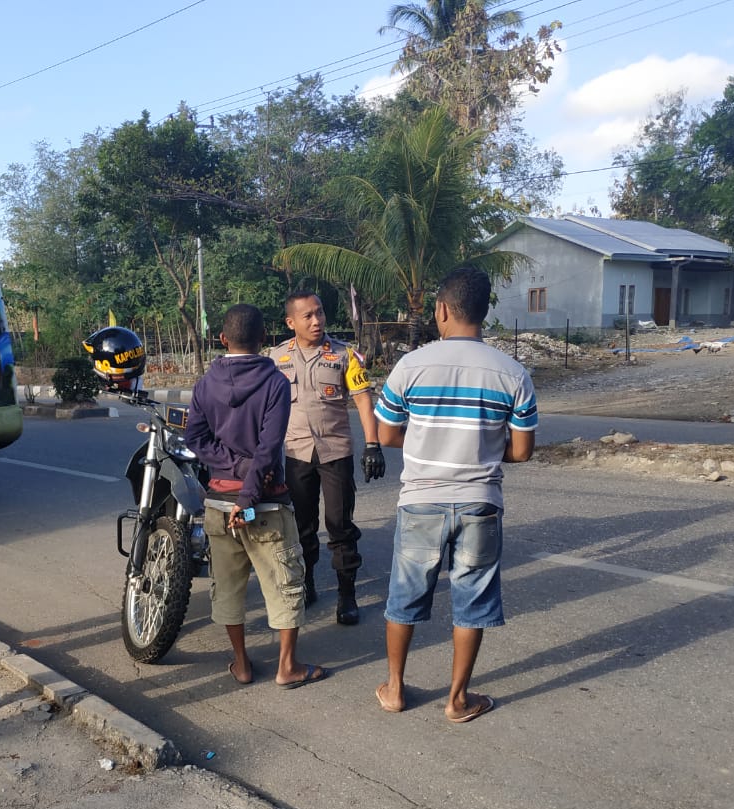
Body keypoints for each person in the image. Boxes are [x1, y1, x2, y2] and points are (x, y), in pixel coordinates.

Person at [373, 265, 537, 721]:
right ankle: (457, 699)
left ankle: (395, 688)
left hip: (420, 501)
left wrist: (430, 438)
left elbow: (387, 434)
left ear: (441, 310)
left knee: (404, 596)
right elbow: (521, 451)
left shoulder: (411, 365)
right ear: (483, 312)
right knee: (473, 598)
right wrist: (479, 440)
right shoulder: (513, 373)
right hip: (480, 502)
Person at [184, 304, 327, 689]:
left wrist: (231, 468)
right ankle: (287, 667)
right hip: (264, 502)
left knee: (228, 588)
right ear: (264, 339)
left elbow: (195, 438)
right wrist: (248, 488)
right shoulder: (276, 383)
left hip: (218, 501)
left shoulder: (205, 383)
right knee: (285, 585)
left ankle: (242, 663)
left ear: (222, 339)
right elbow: (269, 447)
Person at [273, 291, 385, 626]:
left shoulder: (345, 355)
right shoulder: (275, 359)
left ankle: (346, 594)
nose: (317, 321)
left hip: (335, 452)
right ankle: (306, 585)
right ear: (291, 322)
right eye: (307, 316)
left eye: (319, 313)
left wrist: (373, 445)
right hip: (296, 453)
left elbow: (364, 401)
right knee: (302, 526)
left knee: (339, 524)